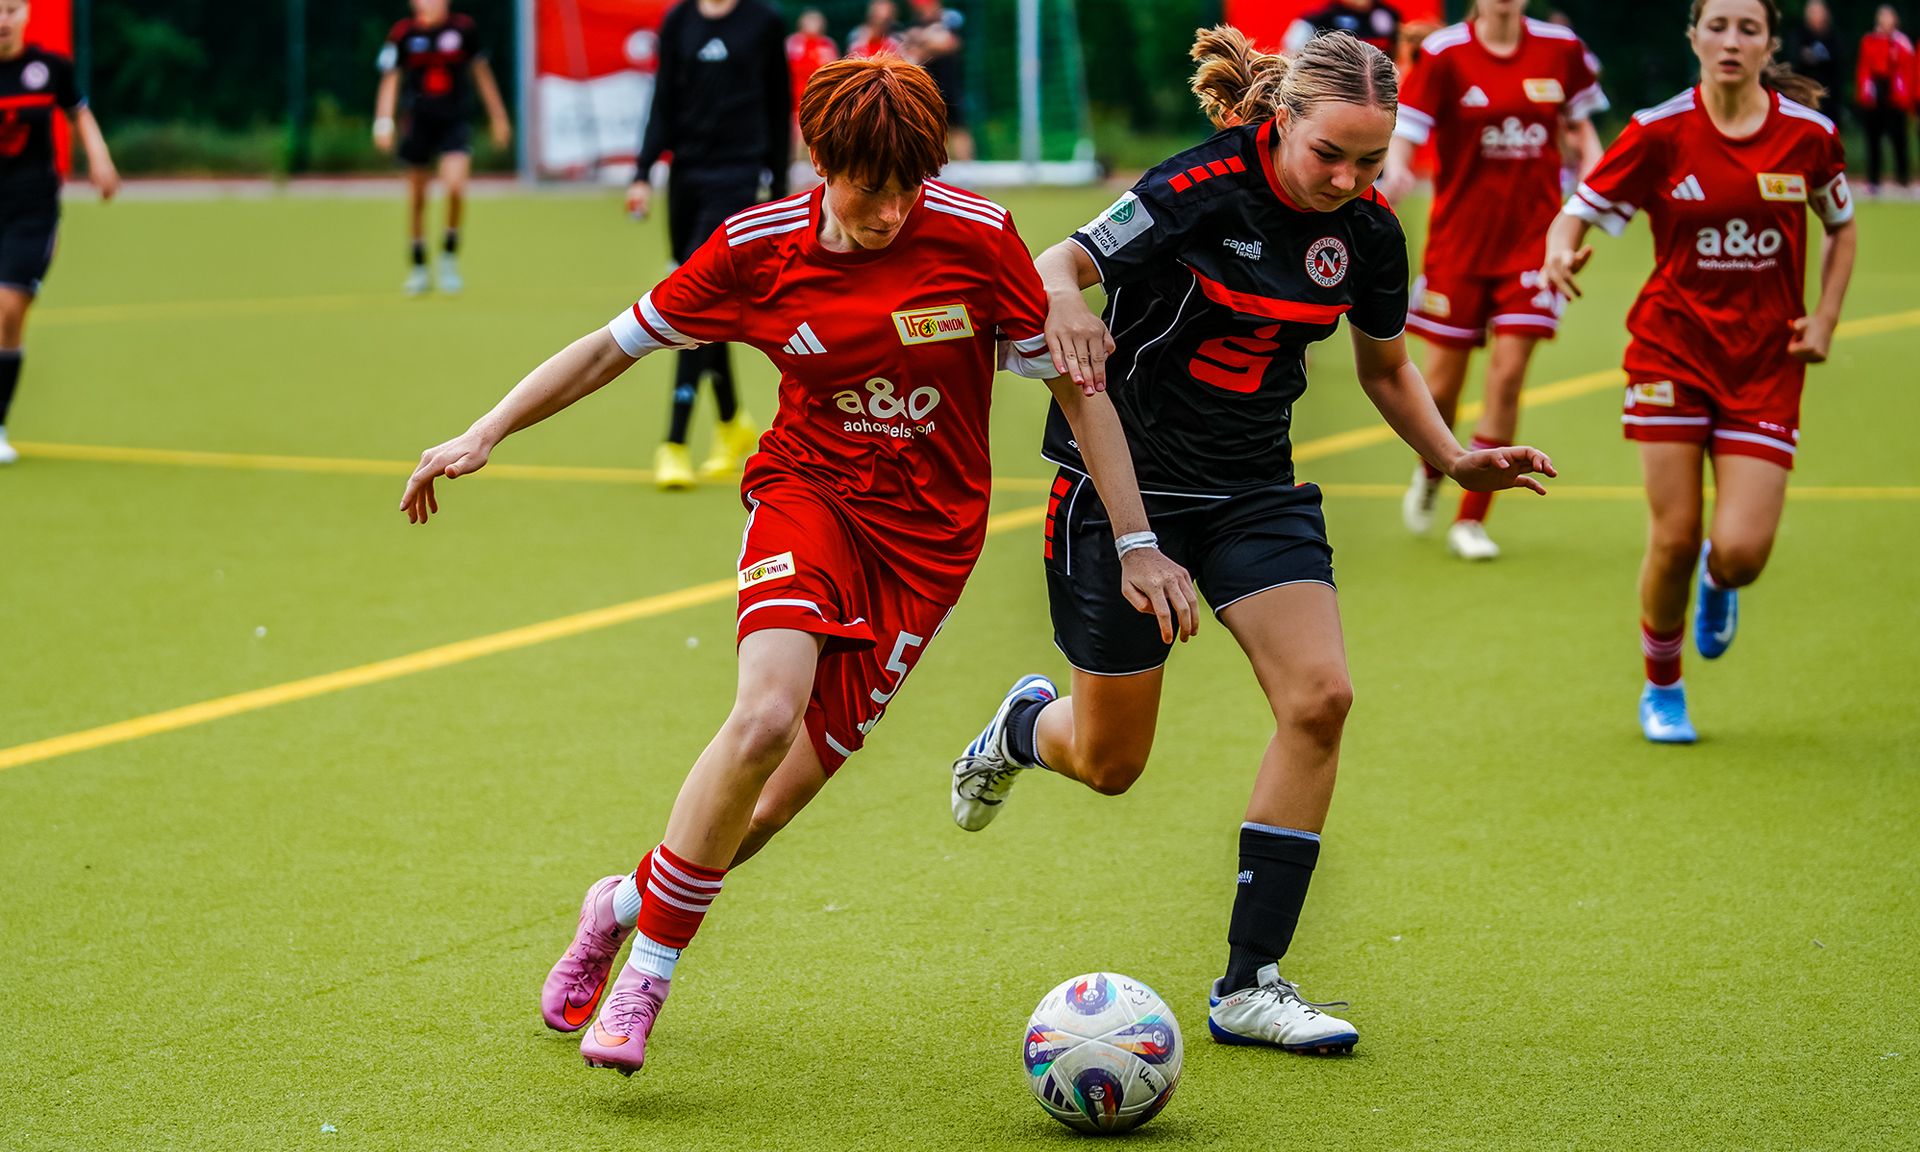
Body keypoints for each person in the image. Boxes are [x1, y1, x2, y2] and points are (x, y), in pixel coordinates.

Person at [399, 56, 1191, 1078]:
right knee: (763, 718)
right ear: (823, 163)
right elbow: (612, 346)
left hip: (927, 551)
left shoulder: (976, 237)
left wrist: (1135, 543)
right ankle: (647, 974)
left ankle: (621, 904)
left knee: (762, 813)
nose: (893, 209)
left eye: (910, 184)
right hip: (806, 502)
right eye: (871, 186)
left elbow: (1081, 392)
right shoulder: (753, 249)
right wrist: (485, 430)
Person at [948, 28, 1555, 1054]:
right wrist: (1063, 304)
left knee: (1322, 699)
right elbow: (1057, 263)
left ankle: (1248, 984)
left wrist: (1453, 459)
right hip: (1123, 489)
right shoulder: (1196, 187)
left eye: (1373, 161)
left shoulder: (1367, 232)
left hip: (1253, 491)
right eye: (1332, 156)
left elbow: (1387, 369)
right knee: (1109, 762)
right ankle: (1022, 732)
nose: (1352, 180)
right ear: (1282, 122)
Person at [1545, 0, 1856, 743]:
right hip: (1671, 350)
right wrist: (1561, 247)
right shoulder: (1659, 129)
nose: (1731, 40)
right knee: (1675, 536)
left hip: (1766, 363)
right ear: (1693, 37)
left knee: (1741, 553)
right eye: (1717, 25)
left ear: (1770, 43)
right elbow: (1578, 209)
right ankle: (1664, 686)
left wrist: (1827, 317)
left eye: (1748, 28)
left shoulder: (1810, 137)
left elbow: (1840, 227)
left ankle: (1723, 583)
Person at [1379, 0, 1605, 560]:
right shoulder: (1444, 53)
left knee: (1505, 380)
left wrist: (1597, 189)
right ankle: (1433, 470)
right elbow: (1407, 140)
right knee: (1442, 388)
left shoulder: (1561, 49)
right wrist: (1395, 179)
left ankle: (1472, 520)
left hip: (1535, 244)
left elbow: (1583, 134)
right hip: (1459, 247)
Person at [626, 0, 791, 491]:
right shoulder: (679, 21)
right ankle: (732, 421)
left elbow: (778, 105)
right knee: (706, 296)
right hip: (687, 177)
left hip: (739, 177)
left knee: (692, 297)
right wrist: (642, 171)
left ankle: (674, 442)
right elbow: (663, 100)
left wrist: (780, 194)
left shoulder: (764, 21)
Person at [0, 0, 117, 466]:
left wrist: (100, 158)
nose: (2, 20)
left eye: (10, 10)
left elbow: (78, 112)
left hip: (31, 211)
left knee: (8, 310)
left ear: (27, 15)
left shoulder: (49, 68)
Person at [373, 0, 511, 296]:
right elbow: (391, 79)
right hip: (418, 124)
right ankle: (419, 265)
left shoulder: (463, 30)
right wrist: (383, 121)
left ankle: (448, 256)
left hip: (454, 122)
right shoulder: (403, 34)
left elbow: (482, 74)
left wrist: (498, 117)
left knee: (455, 188)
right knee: (418, 199)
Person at [903, 0, 971, 161]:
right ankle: (941, 167)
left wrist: (922, 48)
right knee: (932, 127)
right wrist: (929, 41)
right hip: (927, 84)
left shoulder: (950, 18)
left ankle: (967, 169)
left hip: (950, 83)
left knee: (958, 126)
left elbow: (948, 43)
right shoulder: (914, 24)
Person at [1856, 5, 1913, 197]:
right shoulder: (1870, 41)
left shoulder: (1902, 42)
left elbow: (1908, 70)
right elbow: (1865, 67)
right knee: (1873, 139)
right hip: (1876, 94)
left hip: (1896, 96)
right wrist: (1866, 92)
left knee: (1899, 139)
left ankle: (1903, 180)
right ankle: (1873, 181)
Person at [785, 8, 839, 161]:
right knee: (793, 142)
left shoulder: (827, 46)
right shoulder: (792, 44)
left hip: (817, 101)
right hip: (794, 101)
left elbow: (833, 73)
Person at [1285, 0, 1402, 57]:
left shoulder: (1389, 15)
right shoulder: (1317, 17)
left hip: (1379, 83)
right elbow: (1292, 53)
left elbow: (1402, 56)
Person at [1790, 0, 1842, 125]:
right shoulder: (1800, 35)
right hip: (1805, 94)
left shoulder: (1833, 36)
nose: (1816, 15)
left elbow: (1838, 63)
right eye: (1813, 12)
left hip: (1829, 95)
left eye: (1819, 12)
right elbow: (1794, 62)